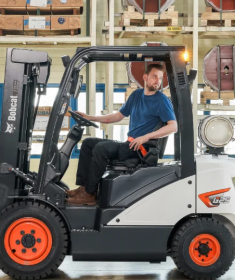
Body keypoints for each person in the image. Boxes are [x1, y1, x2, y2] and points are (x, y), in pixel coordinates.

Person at [66, 63, 178, 206]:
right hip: (129, 144)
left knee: (102, 148)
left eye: (160, 78)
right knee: (88, 143)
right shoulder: (136, 95)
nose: (158, 81)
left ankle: (90, 194)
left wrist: (146, 137)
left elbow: (173, 126)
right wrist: (90, 117)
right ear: (145, 77)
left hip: (140, 149)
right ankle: (83, 188)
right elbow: (118, 116)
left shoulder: (161, 100)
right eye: (154, 77)